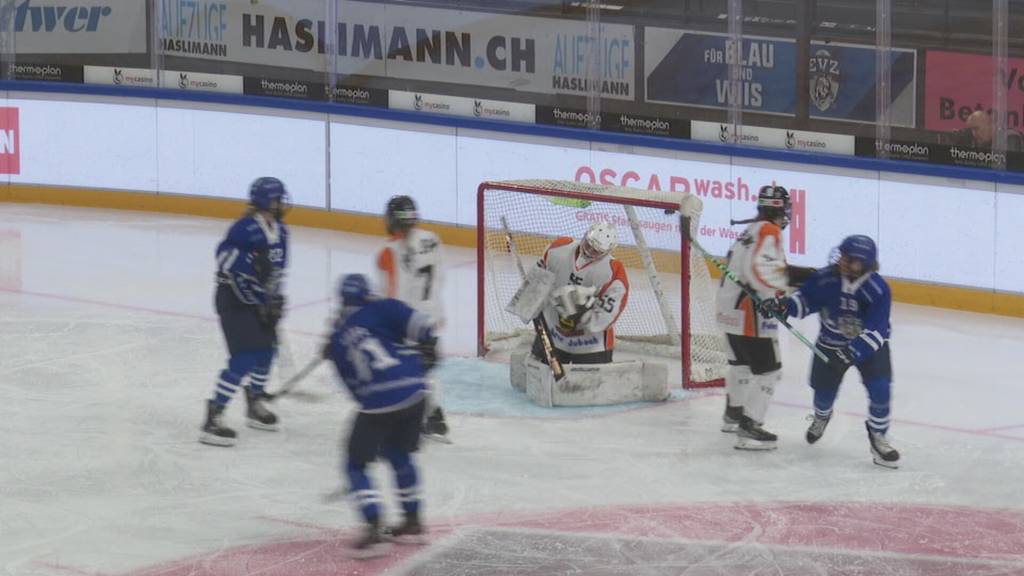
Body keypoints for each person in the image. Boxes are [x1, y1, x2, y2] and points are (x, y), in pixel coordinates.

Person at [759, 234, 900, 468]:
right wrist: (784, 306)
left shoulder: (878, 289)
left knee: (881, 390)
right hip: (830, 343)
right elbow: (805, 301)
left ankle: (879, 437)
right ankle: (822, 416)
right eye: (842, 255)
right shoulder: (826, 278)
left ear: (862, 263)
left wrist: (851, 353)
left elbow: (877, 330)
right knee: (823, 393)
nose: (842, 260)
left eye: (848, 258)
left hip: (869, 349)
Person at [325, 273, 438, 558]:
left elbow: (355, 390)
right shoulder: (384, 307)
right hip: (416, 391)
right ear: (368, 294)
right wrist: (428, 348)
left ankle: (374, 527)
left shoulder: (339, 338)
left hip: (379, 400)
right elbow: (425, 326)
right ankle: (413, 522)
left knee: (355, 464)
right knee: (398, 453)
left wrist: (337, 349)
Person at [715, 184, 812, 450]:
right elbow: (762, 270)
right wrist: (774, 294)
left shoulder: (750, 231)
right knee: (769, 372)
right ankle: (750, 426)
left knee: (740, 365)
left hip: (728, 310)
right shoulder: (769, 230)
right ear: (783, 210)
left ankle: (733, 416)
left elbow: (758, 267)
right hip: (750, 312)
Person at [200, 177, 289, 447]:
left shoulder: (283, 232)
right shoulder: (245, 228)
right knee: (245, 358)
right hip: (234, 300)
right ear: (267, 202)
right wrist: (250, 263)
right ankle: (213, 417)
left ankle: (255, 402)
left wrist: (273, 300)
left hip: (258, 301)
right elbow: (223, 256)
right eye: (278, 199)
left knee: (267, 353)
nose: (282, 204)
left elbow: (277, 272)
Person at [375, 195, 449, 441]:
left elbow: (390, 293)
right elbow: (440, 277)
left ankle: (417, 416)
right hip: (432, 316)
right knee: (422, 368)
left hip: (407, 321)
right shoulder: (432, 239)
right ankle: (434, 418)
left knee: (396, 367)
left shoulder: (389, 251)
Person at [532, 220, 629, 365]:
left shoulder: (613, 271)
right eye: (589, 245)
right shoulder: (558, 248)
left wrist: (580, 320)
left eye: (597, 251)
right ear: (584, 236)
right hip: (552, 334)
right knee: (538, 382)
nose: (589, 251)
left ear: (608, 251)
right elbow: (538, 280)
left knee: (589, 387)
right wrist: (530, 305)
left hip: (591, 345)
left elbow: (608, 314)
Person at [955, 110, 1024, 152]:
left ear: (990, 125)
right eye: (972, 130)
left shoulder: (1010, 138)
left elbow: (1008, 165)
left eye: (976, 129)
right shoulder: (978, 142)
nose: (974, 134)